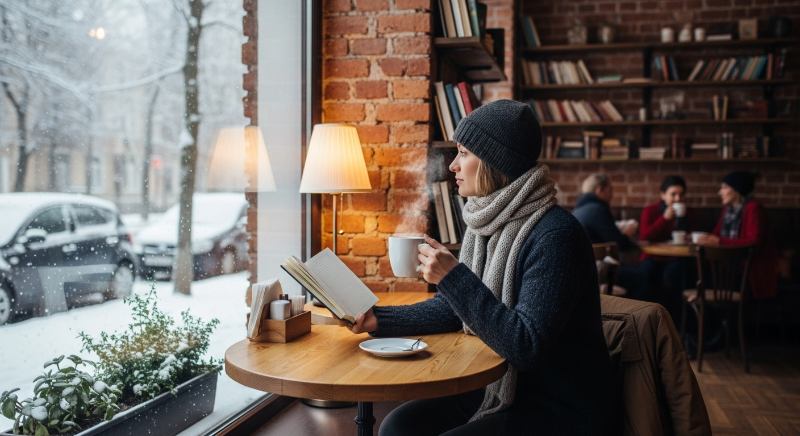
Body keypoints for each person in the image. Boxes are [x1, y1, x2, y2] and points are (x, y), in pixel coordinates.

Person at [338, 100, 614, 436]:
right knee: (398, 426)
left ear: (495, 161)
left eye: (464, 153)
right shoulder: (486, 224)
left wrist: (453, 278)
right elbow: (456, 312)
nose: (453, 165)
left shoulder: (557, 235)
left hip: (557, 405)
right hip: (500, 385)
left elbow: (525, 346)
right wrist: (379, 319)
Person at [695, 171, 778, 299]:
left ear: (737, 189)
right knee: (696, 271)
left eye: (724, 187)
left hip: (750, 268)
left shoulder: (753, 208)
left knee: (706, 275)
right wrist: (699, 237)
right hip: (730, 264)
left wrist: (719, 241)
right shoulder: (728, 210)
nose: (720, 192)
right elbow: (716, 235)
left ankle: (718, 317)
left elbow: (753, 243)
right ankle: (712, 316)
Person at [572, 174, 648, 299]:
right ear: (599, 191)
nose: (612, 193)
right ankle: (635, 317)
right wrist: (631, 241)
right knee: (644, 277)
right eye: (610, 189)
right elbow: (619, 243)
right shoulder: (598, 209)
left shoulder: (578, 210)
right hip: (598, 272)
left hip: (580, 271)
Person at [638, 176, 695, 318]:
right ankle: (645, 319)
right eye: (673, 194)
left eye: (681, 195)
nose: (678, 199)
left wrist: (689, 236)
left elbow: (693, 236)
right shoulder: (650, 211)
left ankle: (674, 321)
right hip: (653, 257)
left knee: (674, 275)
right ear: (662, 195)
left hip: (677, 258)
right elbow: (644, 237)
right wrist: (664, 219)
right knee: (646, 273)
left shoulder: (689, 213)